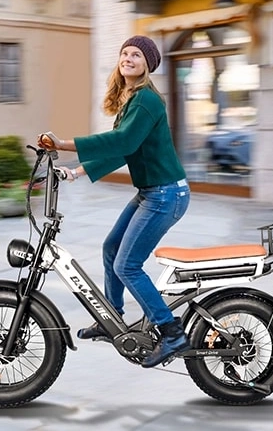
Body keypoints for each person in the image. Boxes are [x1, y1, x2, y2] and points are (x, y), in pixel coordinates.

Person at [37, 35, 191, 368]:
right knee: (111, 249)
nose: (129, 58)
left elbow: (122, 140)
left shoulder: (147, 100)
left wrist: (64, 143)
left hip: (166, 195)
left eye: (137, 54)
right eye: (124, 52)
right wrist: (74, 173)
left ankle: (171, 332)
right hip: (152, 192)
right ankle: (113, 318)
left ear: (147, 65)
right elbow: (124, 150)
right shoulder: (131, 101)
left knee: (127, 265)